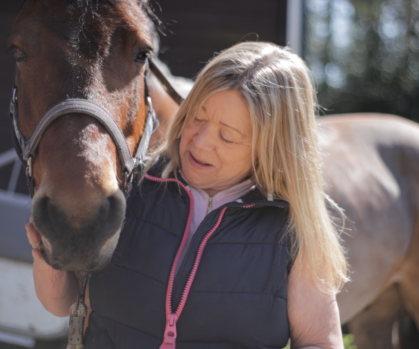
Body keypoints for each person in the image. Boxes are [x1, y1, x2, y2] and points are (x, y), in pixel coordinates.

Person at [26, 41, 348, 349]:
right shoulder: (131, 187)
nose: (202, 141)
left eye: (227, 136)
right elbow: (64, 303)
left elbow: (320, 341)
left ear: (269, 151)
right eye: (198, 117)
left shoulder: (297, 231)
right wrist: (48, 256)